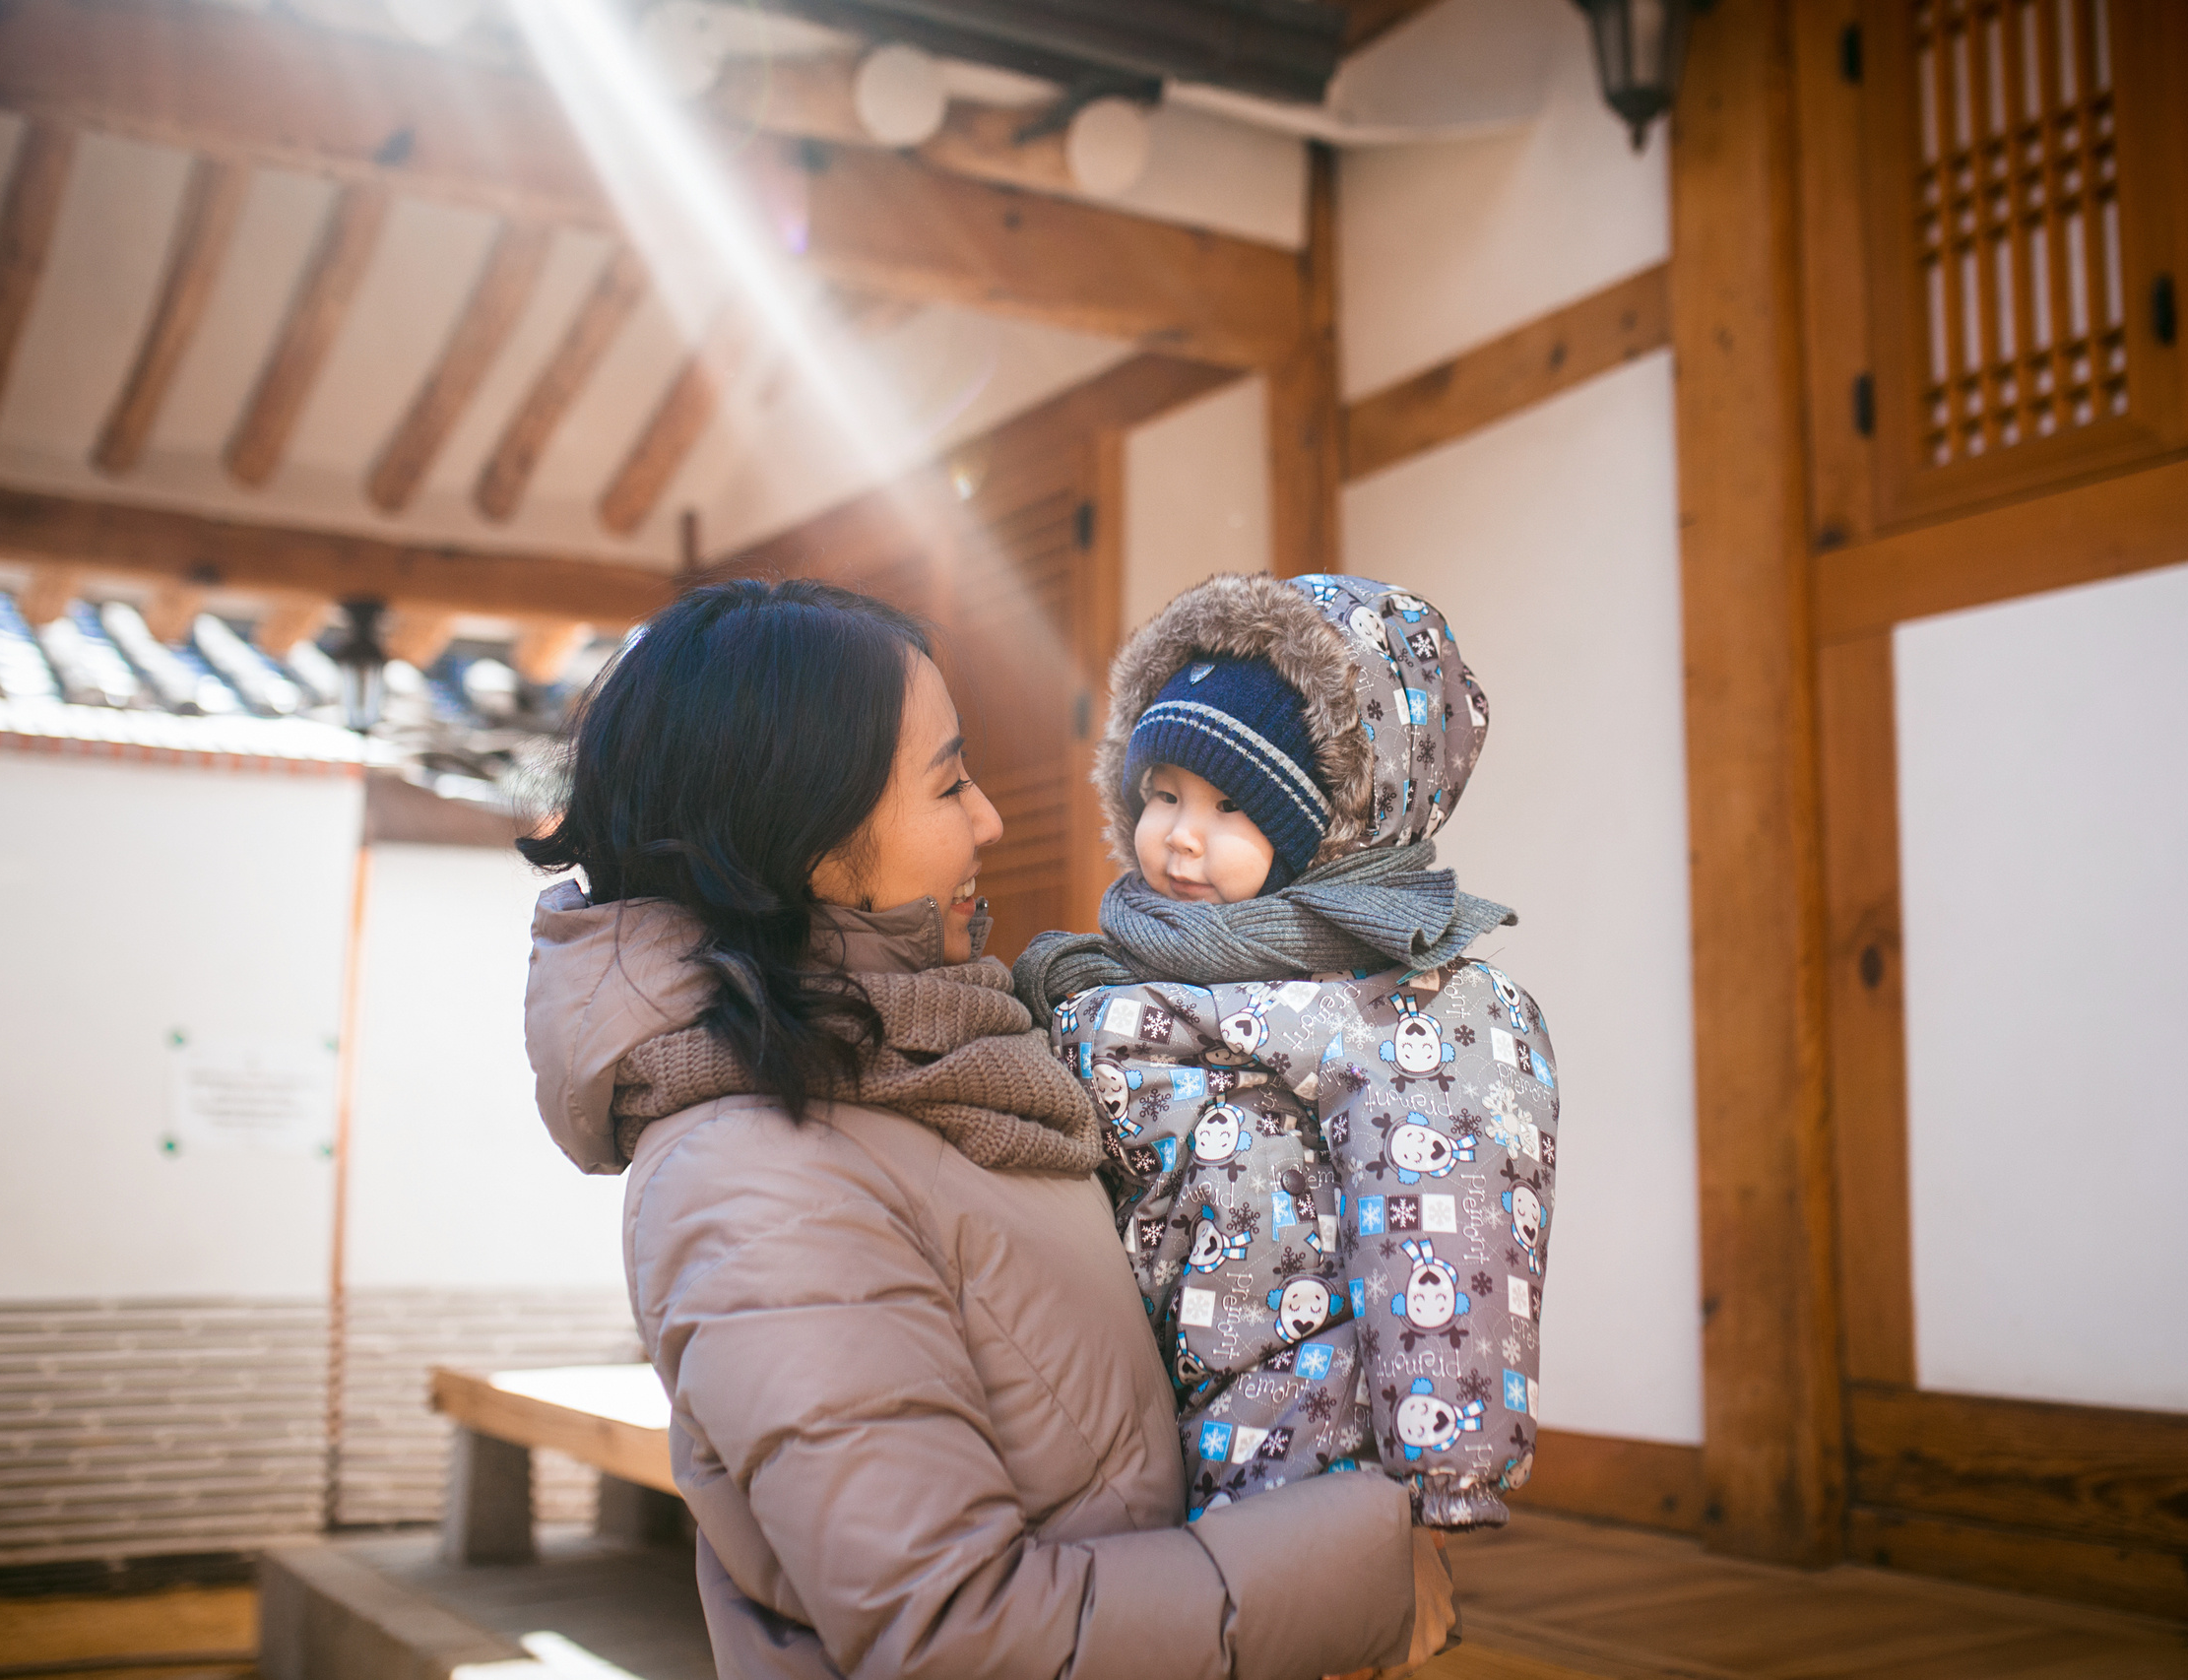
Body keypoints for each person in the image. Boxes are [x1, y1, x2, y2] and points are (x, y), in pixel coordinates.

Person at [520, 579, 1452, 1680]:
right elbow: (952, 1635)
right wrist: (1360, 1576)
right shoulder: (754, 1181)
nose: (991, 819)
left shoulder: (955, 1069)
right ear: (811, 838)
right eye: (948, 781)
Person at [1016, 573, 1559, 1537]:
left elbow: (1449, 1206)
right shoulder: (1117, 970)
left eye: (1232, 805)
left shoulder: (1397, 1002)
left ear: (1327, 832)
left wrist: (1449, 1455)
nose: (1181, 837)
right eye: (1163, 793)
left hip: (1296, 1413)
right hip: (1134, 1395)